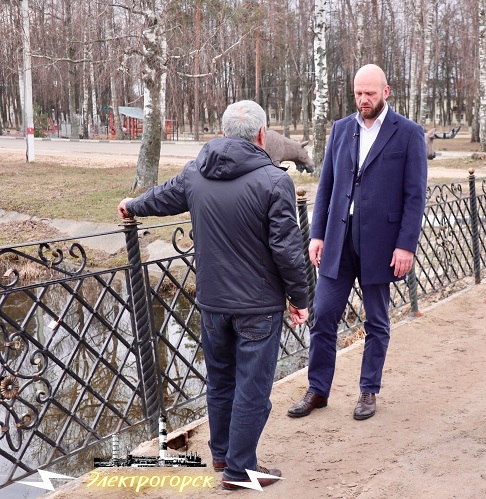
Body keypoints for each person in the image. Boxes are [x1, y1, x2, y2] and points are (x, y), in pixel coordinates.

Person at [118, 100, 309, 490]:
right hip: (258, 307)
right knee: (252, 391)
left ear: (223, 133)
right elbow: (288, 252)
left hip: (212, 304)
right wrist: (300, 299)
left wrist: (131, 205)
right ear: (262, 135)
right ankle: (239, 471)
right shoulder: (275, 182)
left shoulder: (196, 173)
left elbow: (162, 197)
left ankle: (222, 455)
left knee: (220, 382)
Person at [287, 64, 427, 421]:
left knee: (377, 321)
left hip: (382, 244)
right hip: (338, 239)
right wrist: (317, 234)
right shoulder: (340, 129)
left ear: (386, 92)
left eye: (370, 94)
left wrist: (406, 245)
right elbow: (327, 186)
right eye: (358, 93)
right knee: (323, 316)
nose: (363, 100)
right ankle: (318, 390)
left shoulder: (408, 133)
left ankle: (368, 390)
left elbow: (415, 196)